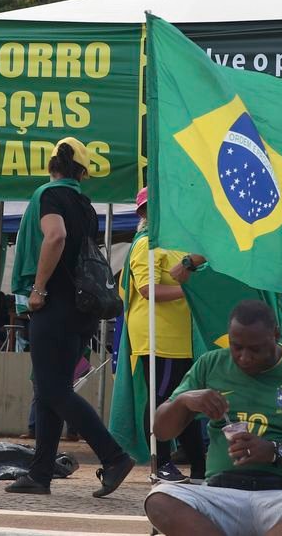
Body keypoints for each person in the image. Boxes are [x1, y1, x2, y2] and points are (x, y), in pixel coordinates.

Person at [144, 299, 282, 536]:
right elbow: (162, 431)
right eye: (236, 346)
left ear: (276, 335)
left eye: (255, 349)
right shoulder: (211, 364)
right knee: (159, 500)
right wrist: (184, 401)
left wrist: (274, 451)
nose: (244, 357)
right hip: (220, 494)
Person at [6, 136, 135, 497]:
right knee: (49, 390)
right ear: (82, 173)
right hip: (81, 310)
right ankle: (40, 473)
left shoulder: (50, 195)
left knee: (51, 388)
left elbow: (55, 236)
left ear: (51, 166)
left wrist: (39, 288)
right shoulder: (85, 204)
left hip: (55, 306)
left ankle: (113, 456)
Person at [121, 186, 206, 484]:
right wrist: (190, 290)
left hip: (179, 335)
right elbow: (148, 290)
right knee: (162, 398)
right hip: (157, 334)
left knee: (184, 399)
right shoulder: (145, 244)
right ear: (145, 213)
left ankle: (199, 465)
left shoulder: (174, 244)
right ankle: (162, 463)